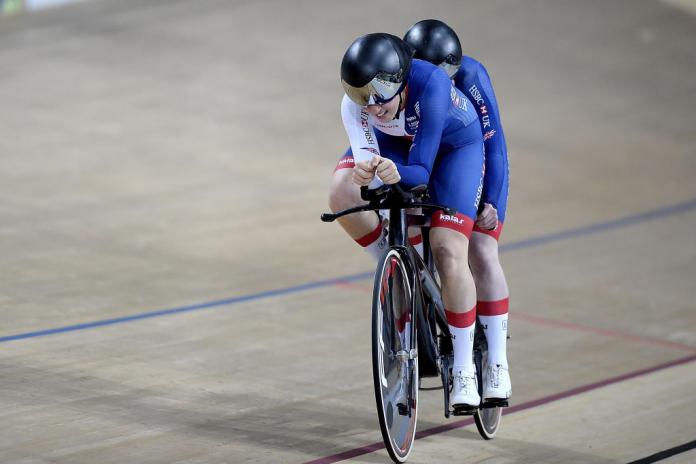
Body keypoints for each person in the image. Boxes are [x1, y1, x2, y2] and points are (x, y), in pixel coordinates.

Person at [330, 32, 485, 408]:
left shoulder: (429, 85)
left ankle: (464, 367)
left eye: (379, 92)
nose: (371, 105)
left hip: (450, 150)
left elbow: (418, 173)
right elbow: (369, 162)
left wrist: (389, 172)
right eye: (359, 95)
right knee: (341, 191)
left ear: (399, 80)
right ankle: (396, 266)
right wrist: (367, 174)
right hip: (398, 147)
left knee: (447, 250)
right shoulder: (358, 106)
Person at [404, 19, 512, 402]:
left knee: (481, 250)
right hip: (429, 162)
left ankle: (497, 361)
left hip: (470, 160)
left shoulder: (471, 76)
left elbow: (494, 144)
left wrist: (492, 204)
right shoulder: (404, 82)